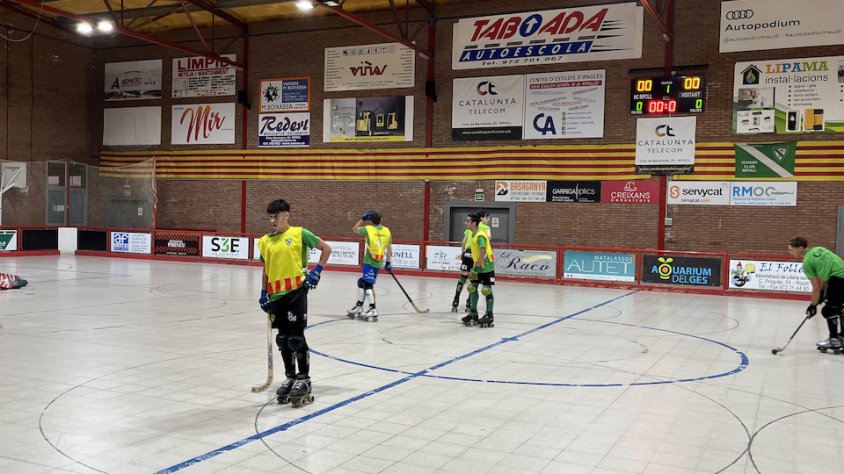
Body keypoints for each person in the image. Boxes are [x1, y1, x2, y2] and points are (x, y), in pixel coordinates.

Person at [257, 199, 331, 406]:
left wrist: (317, 272)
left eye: (277, 216)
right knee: (282, 339)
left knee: (296, 338)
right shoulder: (264, 241)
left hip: (296, 292)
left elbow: (326, 249)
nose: (273, 220)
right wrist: (263, 292)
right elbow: (266, 269)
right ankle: (290, 376)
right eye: (270, 217)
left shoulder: (299, 234)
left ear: (286, 215)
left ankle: (304, 378)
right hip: (276, 296)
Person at [788, 236, 844, 351]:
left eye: (792, 249)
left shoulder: (807, 262)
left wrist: (812, 305)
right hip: (839, 276)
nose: (790, 252)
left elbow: (816, 287)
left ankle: (834, 341)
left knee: (829, 311)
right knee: (840, 309)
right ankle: (842, 337)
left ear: (801, 248)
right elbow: (824, 275)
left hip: (838, 279)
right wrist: (822, 293)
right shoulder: (819, 249)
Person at [347, 210, 392, 321]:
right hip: (379, 262)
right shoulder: (387, 231)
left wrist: (362, 219)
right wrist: (388, 262)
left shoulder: (368, 229)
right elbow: (389, 249)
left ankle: (373, 309)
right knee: (362, 282)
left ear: (370, 220)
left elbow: (354, 229)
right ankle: (359, 306)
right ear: (381, 220)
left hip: (369, 261)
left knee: (368, 285)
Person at [463, 213, 496, 327]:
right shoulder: (472, 234)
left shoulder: (480, 235)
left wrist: (476, 269)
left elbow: (483, 252)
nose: (465, 223)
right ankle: (473, 313)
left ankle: (489, 314)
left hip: (486, 266)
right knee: (472, 288)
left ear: (474, 223)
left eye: (467, 221)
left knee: (486, 290)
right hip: (477, 265)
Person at [451, 214, 474, 312]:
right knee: (472, 279)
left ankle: (455, 301)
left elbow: (463, 242)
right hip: (474, 254)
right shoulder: (480, 230)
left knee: (463, 277)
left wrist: (463, 253)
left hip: (467, 253)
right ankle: (469, 302)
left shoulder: (468, 230)